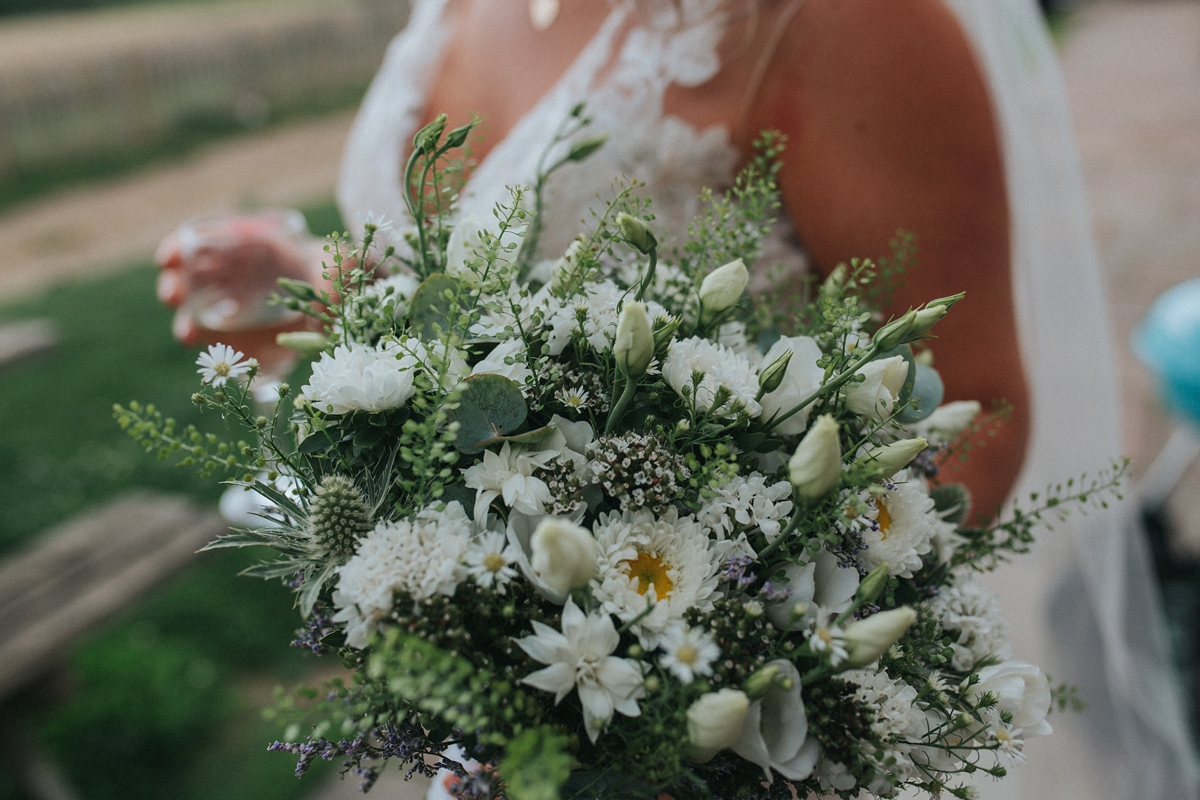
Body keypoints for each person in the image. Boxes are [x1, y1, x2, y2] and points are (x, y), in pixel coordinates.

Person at [159, 1, 1198, 797]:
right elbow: (470, 298)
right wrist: (314, 283)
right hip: (499, 724)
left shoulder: (833, 20)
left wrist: (723, 697)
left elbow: (974, 406)